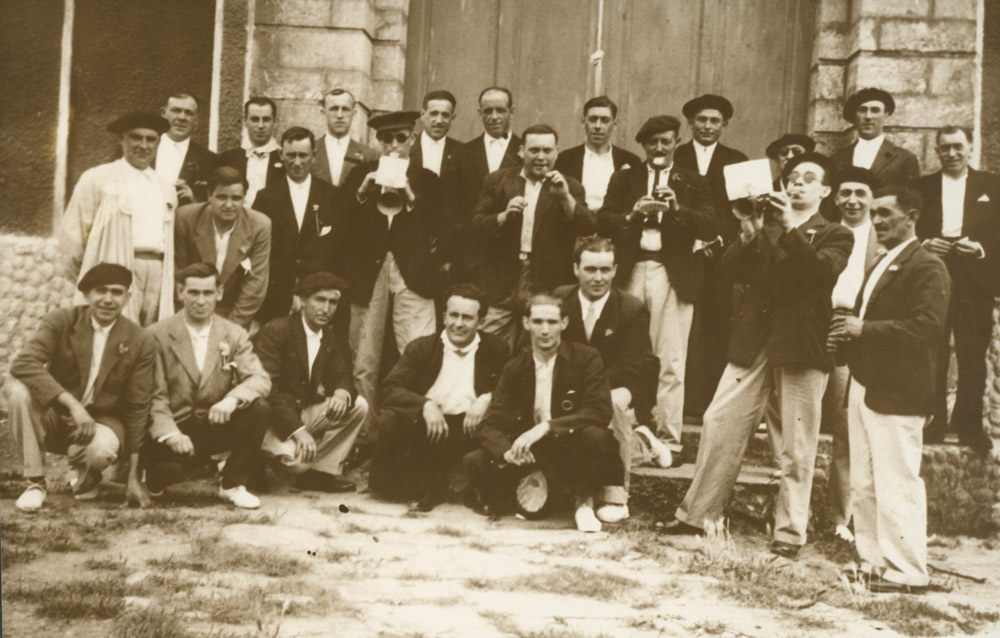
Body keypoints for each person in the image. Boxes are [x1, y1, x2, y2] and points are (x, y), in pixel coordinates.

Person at [662, 153, 853, 561]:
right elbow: (731, 271)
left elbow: (821, 273)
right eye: (792, 178)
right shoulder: (766, 226)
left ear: (825, 191)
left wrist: (788, 229)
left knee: (797, 444)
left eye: (808, 178)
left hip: (802, 343)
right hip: (755, 340)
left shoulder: (836, 233)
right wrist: (749, 232)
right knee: (719, 422)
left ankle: (790, 532)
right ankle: (698, 516)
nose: (796, 183)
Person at [828, 186, 951, 593]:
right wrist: (846, 340)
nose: (877, 220)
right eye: (875, 214)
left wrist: (863, 329)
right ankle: (874, 562)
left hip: (899, 391)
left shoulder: (927, 265)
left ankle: (908, 571)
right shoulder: (883, 261)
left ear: (912, 216)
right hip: (865, 385)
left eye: (886, 214)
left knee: (897, 480)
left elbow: (927, 328)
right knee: (864, 482)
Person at [765, 167, 882, 542]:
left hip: (852, 326)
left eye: (860, 194)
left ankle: (841, 517)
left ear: (872, 200)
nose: (852, 200)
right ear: (833, 196)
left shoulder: (879, 235)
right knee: (794, 424)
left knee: (846, 424)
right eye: (846, 193)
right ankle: (792, 513)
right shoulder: (817, 228)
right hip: (812, 327)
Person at [598, 115, 716, 462]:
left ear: (677, 142)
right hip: (632, 270)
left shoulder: (693, 181)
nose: (659, 148)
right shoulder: (625, 178)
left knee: (671, 358)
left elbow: (710, 225)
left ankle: (669, 438)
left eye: (666, 141)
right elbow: (603, 220)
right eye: (653, 142)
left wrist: (677, 208)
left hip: (672, 272)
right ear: (643, 145)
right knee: (622, 354)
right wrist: (633, 214)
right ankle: (621, 434)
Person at [463, 293, 620, 532]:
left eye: (552, 322)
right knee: (474, 460)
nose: (545, 330)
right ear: (526, 323)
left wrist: (547, 426)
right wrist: (507, 452)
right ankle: (537, 493)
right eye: (537, 322)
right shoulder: (515, 367)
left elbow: (599, 411)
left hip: (570, 445)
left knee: (595, 437)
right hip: (533, 453)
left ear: (564, 323)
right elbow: (489, 424)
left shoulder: (586, 358)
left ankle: (583, 502)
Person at [8, 263, 156, 511]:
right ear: (87, 294)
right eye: (101, 290)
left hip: (101, 421)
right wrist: (72, 404)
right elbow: (23, 363)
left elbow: (138, 406)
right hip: (57, 415)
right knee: (20, 392)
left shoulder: (140, 339)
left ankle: (86, 474)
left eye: (117, 292)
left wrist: (133, 476)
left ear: (127, 297)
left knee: (102, 450)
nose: (108, 299)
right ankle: (35, 483)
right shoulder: (62, 321)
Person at [341, 110, 443, 439]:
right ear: (378, 142)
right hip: (368, 275)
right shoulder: (361, 174)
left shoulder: (426, 178)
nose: (394, 146)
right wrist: (362, 192)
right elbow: (339, 224)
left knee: (420, 351)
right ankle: (365, 434)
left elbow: (443, 227)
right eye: (387, 139)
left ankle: (415, 432)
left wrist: (412, 198)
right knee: (364, 358)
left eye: (401, 138)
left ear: (413, 139)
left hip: (413, 275)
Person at [370, 283, 510, 511]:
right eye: (453, 315)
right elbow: (390, 388)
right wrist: (424, 405)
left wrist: (487, 398)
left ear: (481, 322)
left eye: (467, 317)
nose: (458, 323)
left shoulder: (497, 349)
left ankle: (478, 489)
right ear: (444, 316)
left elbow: (513, 391)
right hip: (432, 426)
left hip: (472, 428)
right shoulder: (422, 347)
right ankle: (409, 487)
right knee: (390, 418)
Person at [143, 263, 271, 509]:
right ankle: (157, 473)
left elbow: (260, 378)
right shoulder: (156, 335)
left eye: (208, 293)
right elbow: (154, 395)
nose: (200, 301)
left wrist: (231, 400)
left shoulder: (233, 333)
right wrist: (170, 434)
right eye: (193, 292)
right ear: (180, 292)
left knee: (259, 408)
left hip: (213, 423)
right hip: (175, 426)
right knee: (169, 474)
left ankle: (232, 484)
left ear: (219, 293)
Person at [554, 237, 654, 521]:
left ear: (615, 270)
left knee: (610, 404)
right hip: (571, 385)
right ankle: (642, 443)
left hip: (618, 384)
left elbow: (631, 368)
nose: (598, 278)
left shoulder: (631, 309)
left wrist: (587, 390)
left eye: (605, 270)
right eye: (590, 269)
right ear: (576, 269)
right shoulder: (560, 300)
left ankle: (615, 495)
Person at [916, 126, 1000, 452]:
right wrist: (925, 243)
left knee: (972, 354)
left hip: (974, 278)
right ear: (937, 151)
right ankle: (932, 424)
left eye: (957, 147)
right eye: (945, 148)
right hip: (933, 273)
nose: (951, 154)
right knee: (931, 351)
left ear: (970, 147)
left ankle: (969, 428)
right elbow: (907, 225)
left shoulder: (991, 185)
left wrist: (981, 248)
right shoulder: (921, 187)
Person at [471, 124, 592, 346]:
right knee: (490, 345)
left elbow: (587, 226)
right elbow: (477, 224)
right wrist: (503, 216)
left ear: (557, 152)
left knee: (538, 346)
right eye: (534, 150)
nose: (541, 157)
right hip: (502, 279)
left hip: (546, 281)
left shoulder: (570, 185)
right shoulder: (497, 180)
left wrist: (565, 197)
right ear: (521, 151)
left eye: (547, 150)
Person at [61, 111, 178, 327]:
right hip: (115, 267)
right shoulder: (97, 179)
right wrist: (91, 279)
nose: (144, 145)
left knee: (150, 333)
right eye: (136, 137)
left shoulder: (165, 188)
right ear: (121, 139)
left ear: (158, 143)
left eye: (151, 139)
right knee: (111, 332)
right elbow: (72, 238)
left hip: (157, 270)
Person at [255, 272, 369, 493]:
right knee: (296, 461)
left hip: (299, 412)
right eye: (319, 300)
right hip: (269, 419)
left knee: (358, 406)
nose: (326, 309)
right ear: (302, 300)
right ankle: (252, 461)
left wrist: (342, 392)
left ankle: (318, 473)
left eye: (332, 302)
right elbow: (267, 388)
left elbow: (343, 375)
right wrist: (298, 431)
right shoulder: (277, 331)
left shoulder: (329, 336)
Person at [675, 94, 747, 420]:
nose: (707, 126)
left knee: (718, 326)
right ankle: (682, 404)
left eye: (714, 121)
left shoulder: (736, 160)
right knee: (681, 327)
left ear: (724, 125)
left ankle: (711, 404)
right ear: (691, 123)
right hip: (682, 253)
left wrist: (719, 238)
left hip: (722, 255)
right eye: (701, 120)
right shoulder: (677, 156)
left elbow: (743, 209)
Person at [253, 126, 342, 325]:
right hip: (275, 295)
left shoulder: (331, 196)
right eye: (291, 155)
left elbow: (338, 249)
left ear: (314, 156)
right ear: (281, 155)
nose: (297, 162)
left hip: (318, 295)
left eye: (303, 155)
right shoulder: (265, 198)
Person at [174, 167, 271, 329]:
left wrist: (230, 330)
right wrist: (190, 322)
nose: (229, 205)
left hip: (232, 314)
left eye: (236, 198)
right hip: (189, 309)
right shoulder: (185, 218)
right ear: (209, 195)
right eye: (222, 197)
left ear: (244, 198)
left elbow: (255, 285)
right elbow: (178, 274)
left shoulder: (260, 225)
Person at [447, 87, 523, 281]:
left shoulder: (527, 152)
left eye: (501, 110)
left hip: (513, 254)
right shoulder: (462, 154)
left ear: (512, 111)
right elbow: (452, 208)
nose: (494, 117)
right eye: (488, 111)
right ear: (480, 113)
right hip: (471, 255)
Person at [554, 96, 641, 210]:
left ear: (614, 124)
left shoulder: (631, 161)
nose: (597, 126)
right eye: (592, 119)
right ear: (583, 122)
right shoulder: (565, 159)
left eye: (605, 120)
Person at [831, 88, 920, 187]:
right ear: (855, 116)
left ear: (886, 115)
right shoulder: (838, 158)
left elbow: (910, 195)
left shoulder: (904, 159)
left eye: (875, 110)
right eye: (862, 110)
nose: (868, 116)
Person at [218, 97, 284, 206]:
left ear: (275, 122)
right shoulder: (226, 159)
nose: (260, 126)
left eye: (266, 119)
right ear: (245, 121)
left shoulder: (284, 160)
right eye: (254, 119)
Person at [154, 92, 218, 204]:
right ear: (163, 113)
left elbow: (214, 204)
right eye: (176, 110)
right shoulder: (143, 148)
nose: (182, 117)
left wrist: (194, 199)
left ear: (196, 120)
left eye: (188, 113)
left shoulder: (210, 160)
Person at [311, 88, 379, 187]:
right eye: (334, 109)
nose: (340, 115)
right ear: (323, 112)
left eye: (345, 109)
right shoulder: (308, 152)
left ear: (354, 113)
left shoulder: (370, 156)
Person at [413, 90, 463, 177]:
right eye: (434, 114)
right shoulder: (407, 147)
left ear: (452, 118)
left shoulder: (462, 152)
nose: (439, 121)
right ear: (422, 115)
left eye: (445, 115)